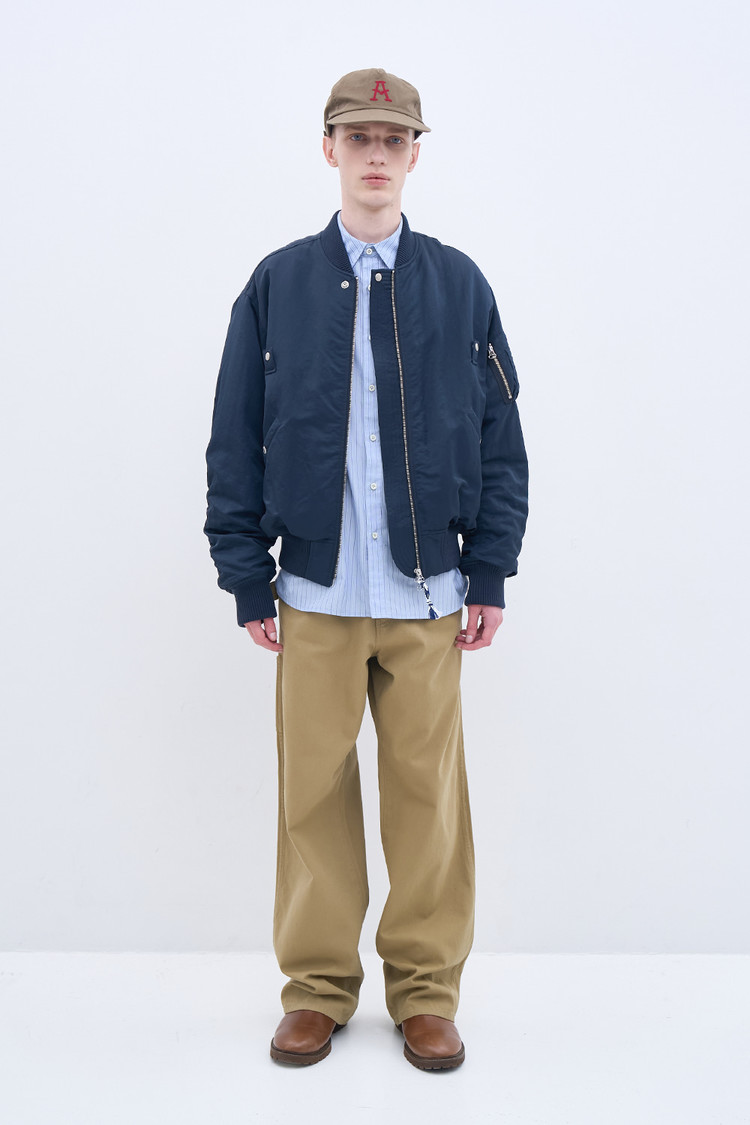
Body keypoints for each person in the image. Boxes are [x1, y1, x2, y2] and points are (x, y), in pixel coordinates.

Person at [204, 67, 529, 1070]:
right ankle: (316, 990)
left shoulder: (460, 284)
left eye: (394, 139)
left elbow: (502, 439)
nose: (376, 155)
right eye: (359, 138)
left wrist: (490, 571)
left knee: (429, 801)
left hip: (429, 595)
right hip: (314, 592)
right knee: (312, 798)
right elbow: (234, 437)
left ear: (415, 154)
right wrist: (246, 572)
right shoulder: (278, 284)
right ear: (330, 149)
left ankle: (426, 993)